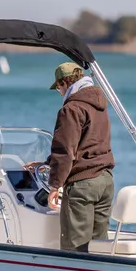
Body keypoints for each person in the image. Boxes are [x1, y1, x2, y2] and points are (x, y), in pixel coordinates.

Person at [26, 62, 115, 252]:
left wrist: (54, 185)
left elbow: (65, 150)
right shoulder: (99, 104)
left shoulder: (71, 109)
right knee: (99, 247)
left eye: (58, 88)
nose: (59, 93)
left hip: (82, 185)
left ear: (64, 83)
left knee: (75, 249)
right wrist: (48, 164)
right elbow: (87, 144)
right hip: (105, 181)